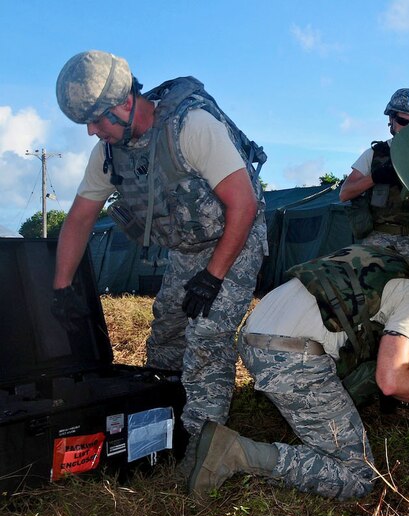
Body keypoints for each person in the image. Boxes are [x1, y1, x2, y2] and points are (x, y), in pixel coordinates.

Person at [52, 51, 267, 445]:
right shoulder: (109, 154)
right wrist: (63, 287)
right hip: (187, 249)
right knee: (167, 332)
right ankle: (165, 421)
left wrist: (213, 277)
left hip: (236, 236)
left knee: (206, 336)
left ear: (124, 103)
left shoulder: (192, 127)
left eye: (97, 120)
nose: (92, 132)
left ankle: (203, 447)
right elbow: (80, 218)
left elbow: (244, 204)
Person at [188, 238, 409, 500]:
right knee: (358, 476)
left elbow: (408, 365)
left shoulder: (376, 255)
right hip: (290, 359)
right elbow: (392, 379)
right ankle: (237, 454)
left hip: (253, 335)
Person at [339, 88, 409, 256]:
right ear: (391, 119)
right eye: (402, 121)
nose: (407, 128)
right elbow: (345, 193)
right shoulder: (375, 154)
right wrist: (376, 177)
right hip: (380, 239)